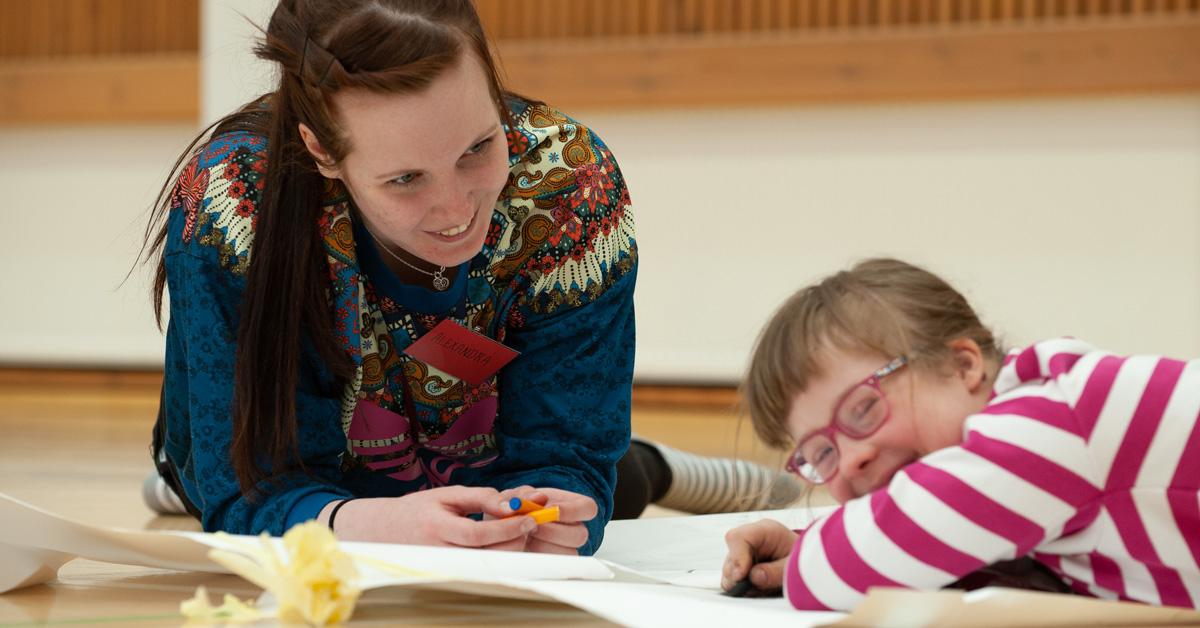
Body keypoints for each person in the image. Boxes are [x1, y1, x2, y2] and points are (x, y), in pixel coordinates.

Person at [140, 0, 799, 555]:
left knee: (603, 484)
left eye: (479, 148)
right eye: (403, 180)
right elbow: (244, 494)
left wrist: (553, 509)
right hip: (299, 465)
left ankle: (645, 469)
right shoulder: (231, 201)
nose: (457, 210)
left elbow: (565, 451)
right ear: (322, 152)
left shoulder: (569, 184)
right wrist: (384, 524)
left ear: (491, 83)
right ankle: (643, 468)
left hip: (474, 450)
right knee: (206, 483)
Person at [721, 257, 1200, 610]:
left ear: (961, 365)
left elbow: (836, 572)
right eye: (820, 453)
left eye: (863, 409)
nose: (848, 463)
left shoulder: (1048, 423)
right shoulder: (1031, 462)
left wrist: (810, 554)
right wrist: (808, 537)